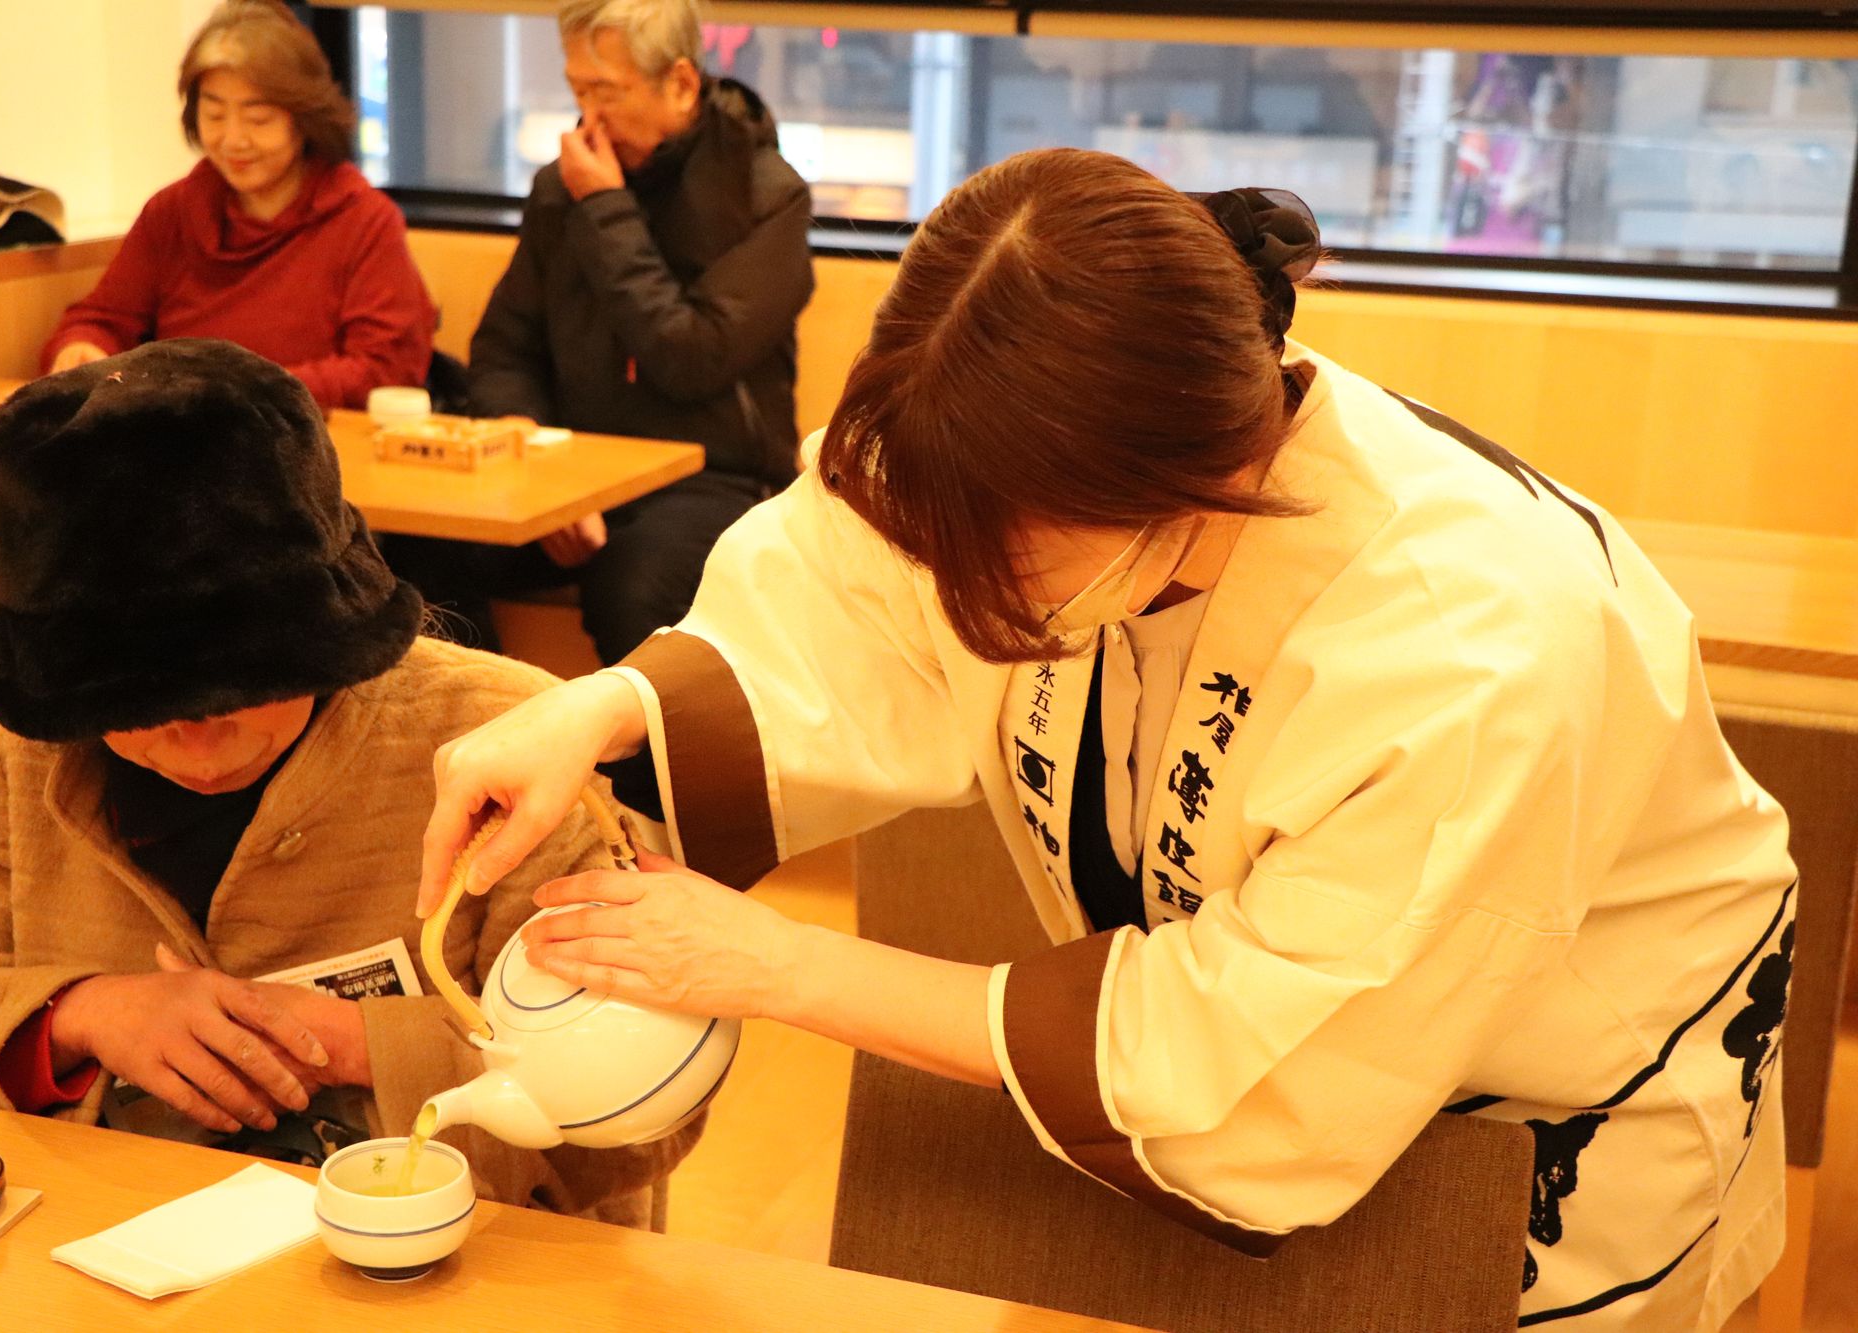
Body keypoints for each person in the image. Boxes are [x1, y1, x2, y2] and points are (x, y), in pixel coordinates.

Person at [417, 150, 1795, 1328]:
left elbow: (1263, 1058)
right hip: (1258, 1014)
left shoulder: (1463, 646)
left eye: (999, 567)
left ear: (1193, 482)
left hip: (1552, 1080)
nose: (951, 587)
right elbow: (841, 581)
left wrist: (787, 968)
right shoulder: (1017, 442)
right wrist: (592, 704)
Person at [0, 340, 690, 1228]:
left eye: (242, 696)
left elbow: (645, 1125)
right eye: (137, 710)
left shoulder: (509, 736)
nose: (197, 751)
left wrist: (361, 1046)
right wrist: (80, 1014)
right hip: (108, 1251)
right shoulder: (30, 739)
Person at [386, 0, 813, 663]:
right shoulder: (562, 188)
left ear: (679, 83)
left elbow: (689, 357)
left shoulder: (767, 196)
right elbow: (505, 347)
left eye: (605, 91)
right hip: (567, 468)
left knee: (633, 582)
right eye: (577, 89)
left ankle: (643, 770)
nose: (587, 115)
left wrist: (607, 208)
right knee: (411, 546)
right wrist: (528, 459)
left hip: (715, 480)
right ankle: (482, 730)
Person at [40, 0, 434, 411]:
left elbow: (385, 370)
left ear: (305, 120)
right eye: (214, 114)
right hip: (182, 437)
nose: (233, 140)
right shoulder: (173, 211)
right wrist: (82, 347)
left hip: (305, 444)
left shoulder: (363, 220)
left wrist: (242, 394)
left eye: (258, 119)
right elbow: (103, 318)